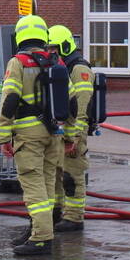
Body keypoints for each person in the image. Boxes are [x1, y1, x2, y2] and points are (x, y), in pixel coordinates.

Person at [0, 15, 62, 256]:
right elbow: (73, 101)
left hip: (28, 133)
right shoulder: (55, 61)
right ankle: (40, 232)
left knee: (33, 186)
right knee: (46, 186)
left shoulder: (18, 63)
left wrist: (4, 136)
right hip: (53, 131)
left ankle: (42, 239)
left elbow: (10, 99)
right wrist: (70, 135)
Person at [47, 24, 95, 232]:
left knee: (72, 174)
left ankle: (74, 218)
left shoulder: (78, 69)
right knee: (57, 174)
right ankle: (57, 211)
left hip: (75, 130)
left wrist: (75, 135)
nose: (51, 53)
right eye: (48, 49)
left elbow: (82, 106)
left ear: (65, 46)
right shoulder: (59, 67)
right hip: (59, 130)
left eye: (55, 48)